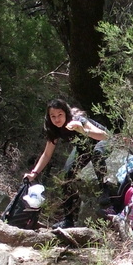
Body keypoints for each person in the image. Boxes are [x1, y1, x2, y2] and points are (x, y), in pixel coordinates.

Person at [25, 98, 109, 228]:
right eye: (53, 116)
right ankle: (68, 219)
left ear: (66, 113)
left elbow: (103, 135)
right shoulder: (53, 128)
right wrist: (34, 173)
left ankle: (106, 193)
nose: (57, 119)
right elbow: (47, 154)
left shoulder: (78, 120)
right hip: (83, 148)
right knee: (67, 175)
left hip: (102, 143)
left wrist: (82, 130)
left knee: (97, 154)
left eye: (60, 115)